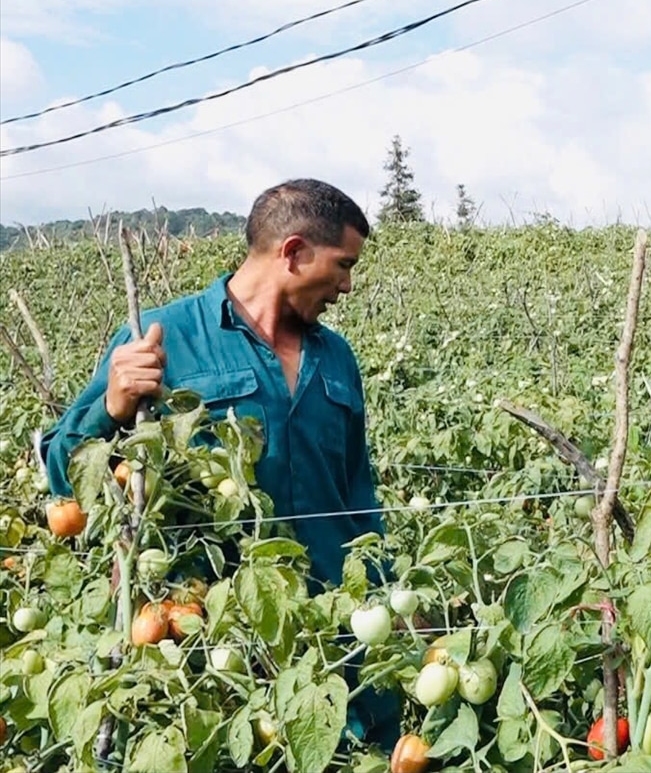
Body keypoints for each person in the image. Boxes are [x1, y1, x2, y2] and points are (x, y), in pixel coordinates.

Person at [40, 177, 400, 749]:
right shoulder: (166, 338)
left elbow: (359, 492)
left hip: (334, 631)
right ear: (294, 252)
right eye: (342, 264)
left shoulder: (337, 358)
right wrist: (112, 407)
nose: (348, 286)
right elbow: (66, 477)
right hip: (212, 634)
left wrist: (385, 593)